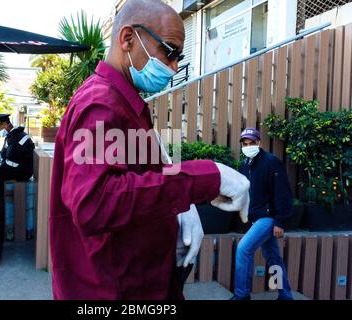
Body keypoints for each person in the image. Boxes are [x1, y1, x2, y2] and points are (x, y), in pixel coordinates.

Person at [49, 0, 250, 300]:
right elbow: (94, 204)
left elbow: (139, 179)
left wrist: (180, 206)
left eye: (178, 57)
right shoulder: (100, 103)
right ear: (128, 39)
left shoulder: (123, 100)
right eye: (169, 52)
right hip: (113, 289)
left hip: (140, 279)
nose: (174, 66)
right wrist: (205, 178)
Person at [230, 128, 294, 300]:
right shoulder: (245, 165)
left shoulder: (271, 162)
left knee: (244, 249)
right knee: (273, 257)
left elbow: (283, 192)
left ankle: (241, 295)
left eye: (252, 143)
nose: (248, 146)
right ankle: (285, 295)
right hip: (255, 217)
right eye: (245, 143)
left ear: (259, 142)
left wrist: (280, 222)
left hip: (269, 217)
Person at [0, 114, 35, 183]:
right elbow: (3, 153)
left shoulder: (17, 137)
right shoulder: (12, 135)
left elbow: (10, 156)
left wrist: (0, 166)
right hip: (18, 168)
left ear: (5, 124)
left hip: (22, 172)